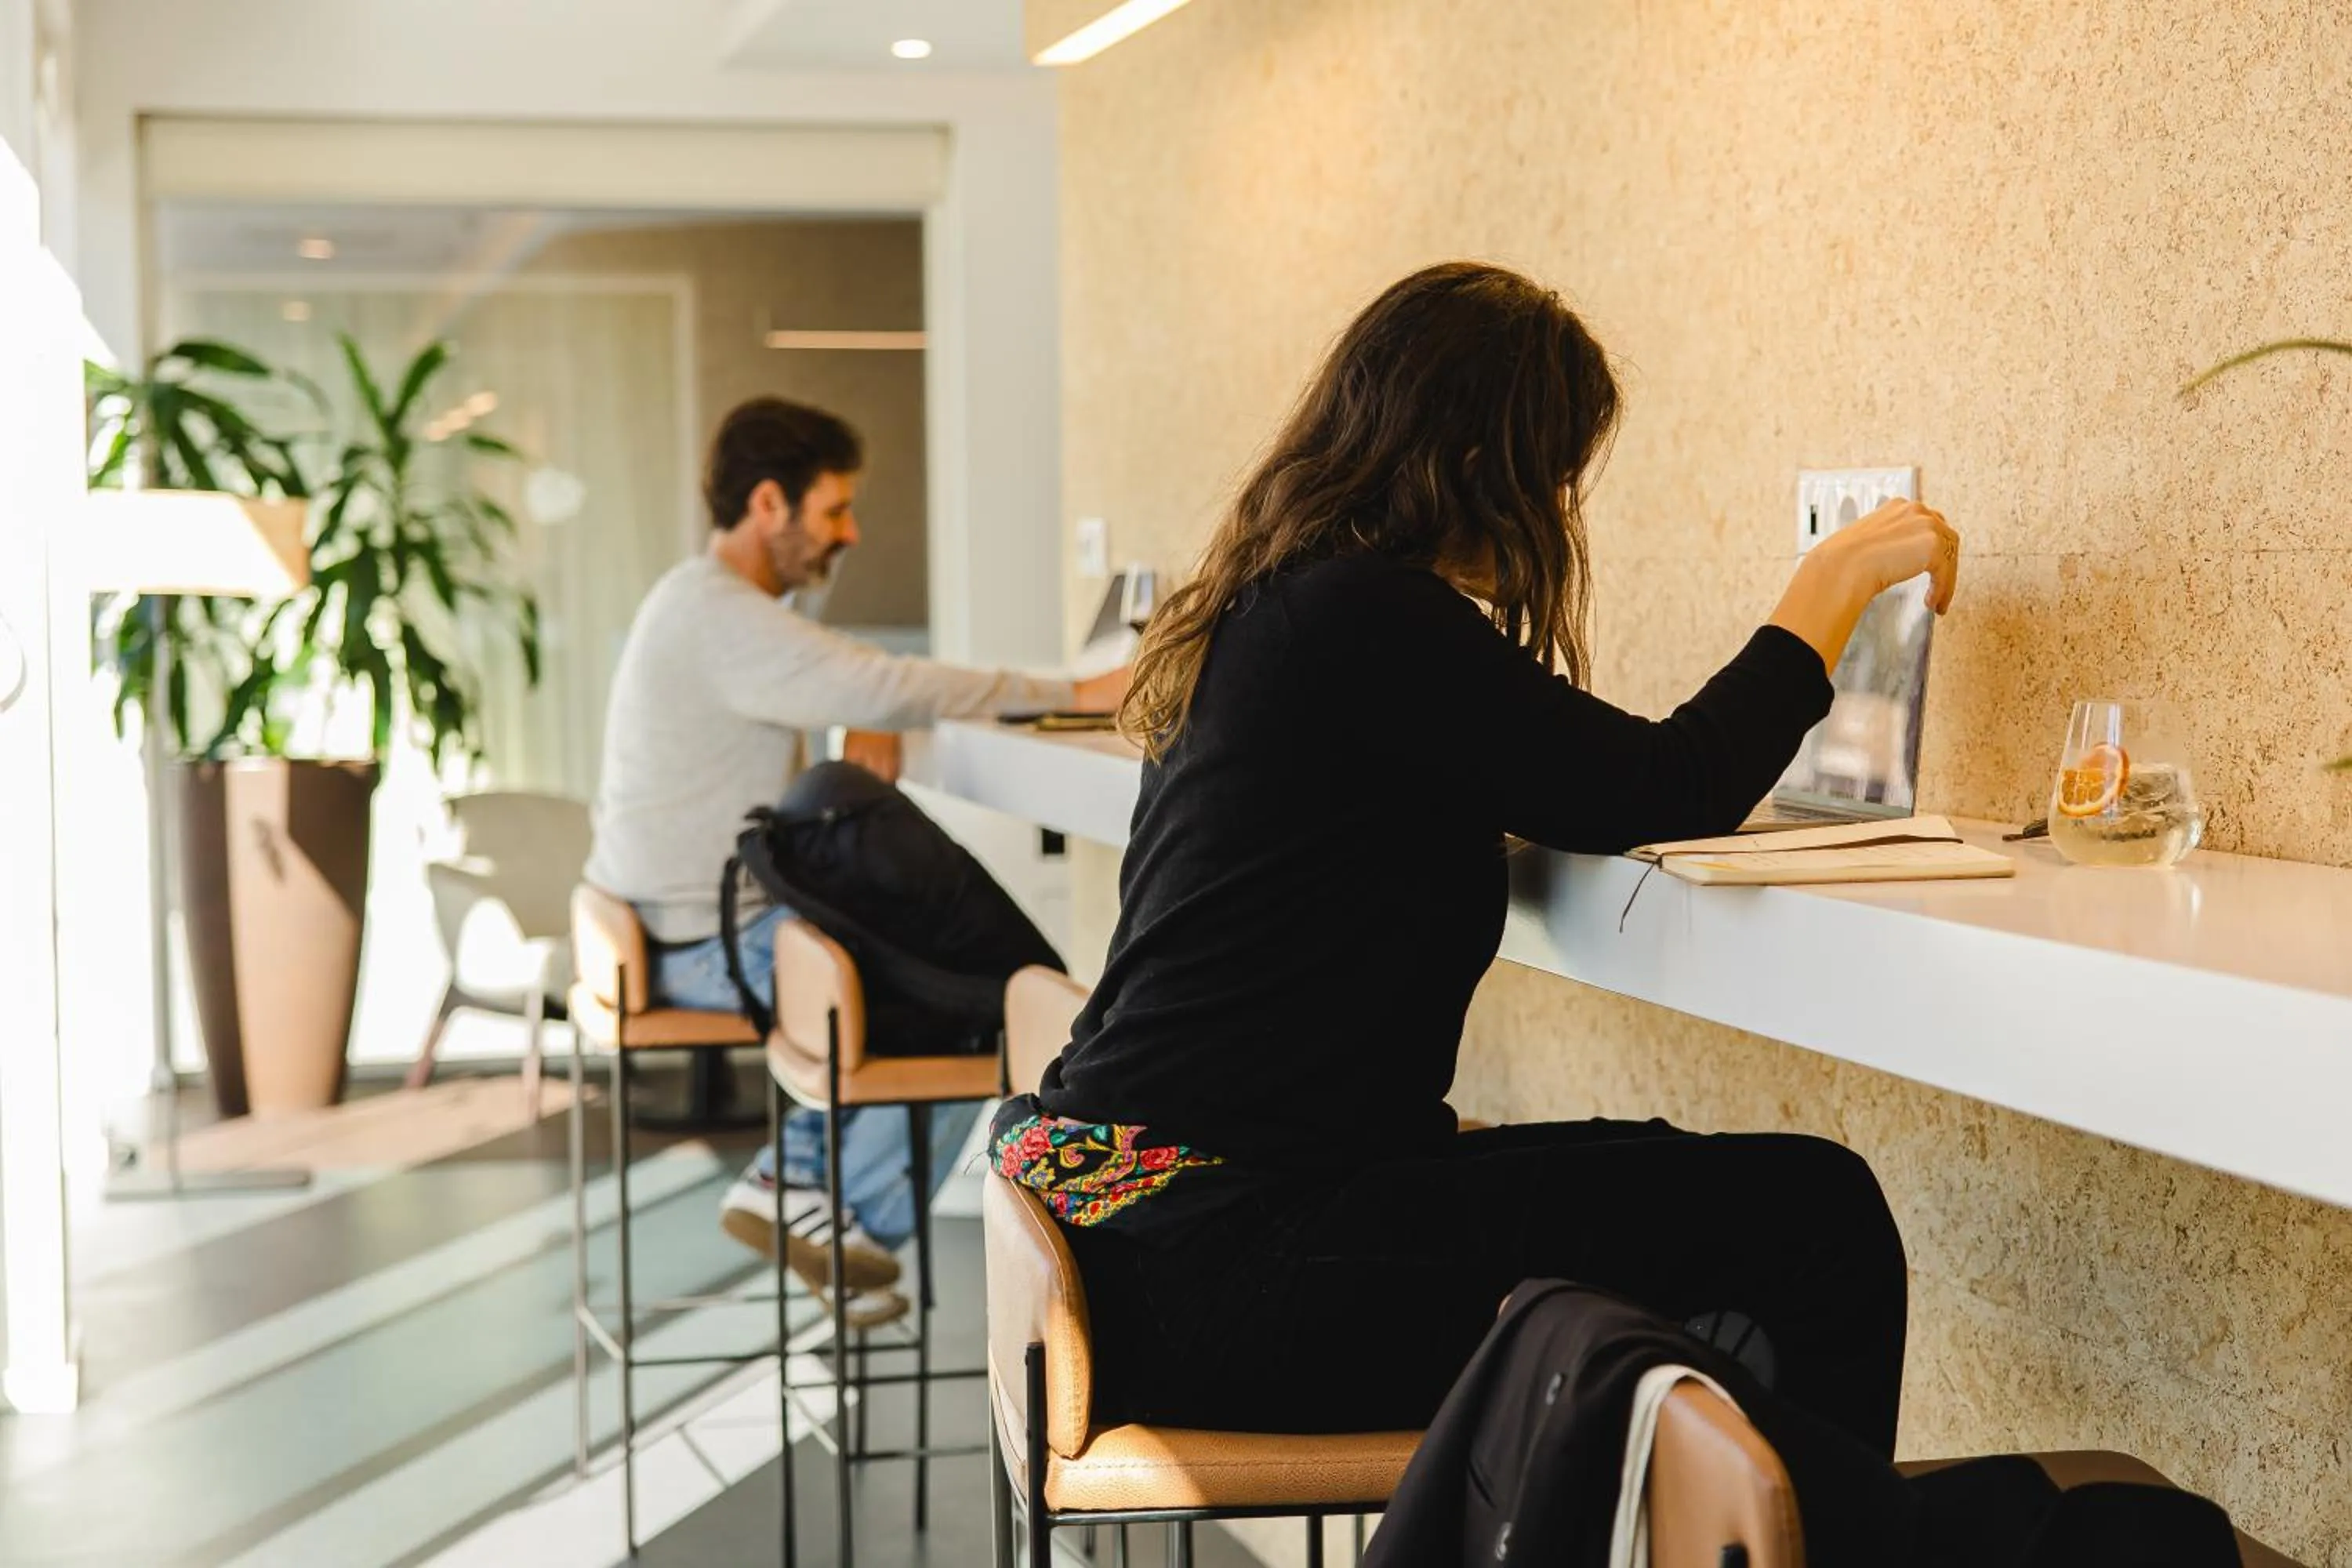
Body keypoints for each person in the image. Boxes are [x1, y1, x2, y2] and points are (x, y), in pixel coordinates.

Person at [992, 263, 1960, 1452]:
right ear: (1471, 464)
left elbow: (1401, 818)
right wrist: (1830, 583)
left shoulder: (1268, 610)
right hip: (1230, 1270)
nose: (1555, 511)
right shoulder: (1369, 617)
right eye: (1551, 474)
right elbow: (1667, 785)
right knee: (1817, 1215)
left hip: (1138, 1234)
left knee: (1691, 1192)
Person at [587, 397, 1125, 1304]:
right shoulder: (719, 611)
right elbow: (882, 678)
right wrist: (1074, 687)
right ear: (770, 505)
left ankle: (818, 1203)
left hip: (665, 921)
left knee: (962, 989)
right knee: (977, 996)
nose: (850, 531)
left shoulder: (698, 602)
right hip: (700, 941)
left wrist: (856, 719)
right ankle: (813, 1190)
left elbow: (847, 687)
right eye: (833, 509)